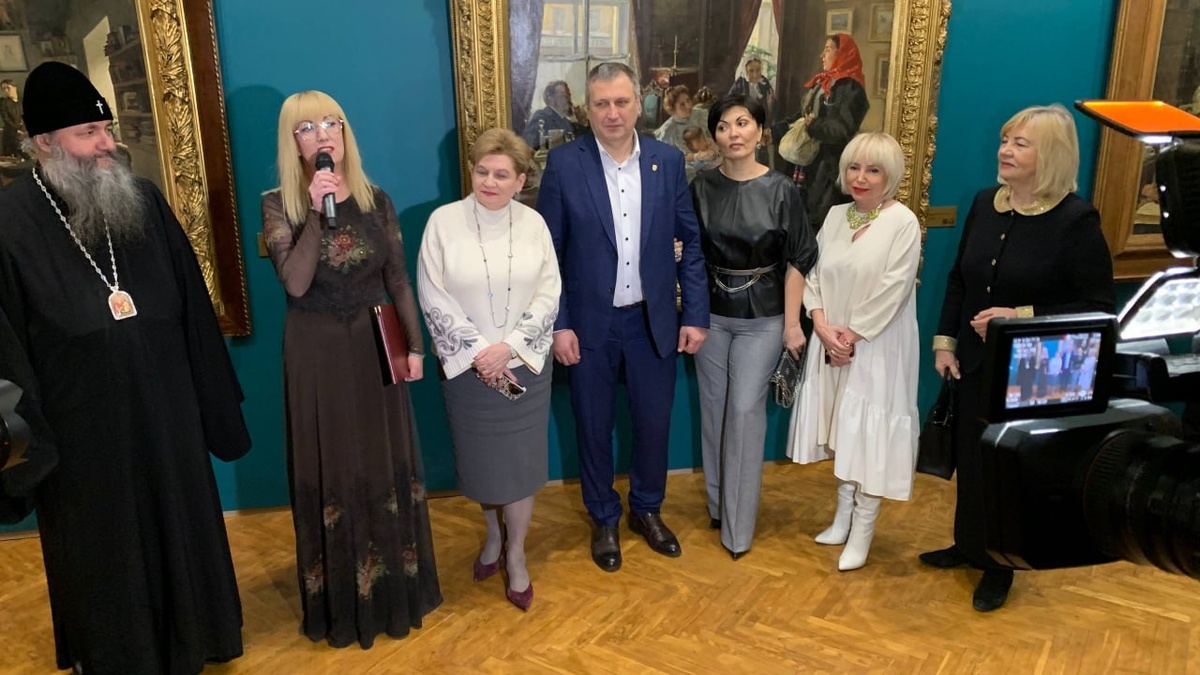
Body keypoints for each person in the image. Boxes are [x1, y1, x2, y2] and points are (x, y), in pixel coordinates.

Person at [0, 61, 250, 674]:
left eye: (106, 128)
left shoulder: (142, 200)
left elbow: (191, 307)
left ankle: (198, 637)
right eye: (88, 132)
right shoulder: (10, 221)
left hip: (167, 412)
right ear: (44, 143)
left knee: (181, 524)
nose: (107, 143)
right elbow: (5, 347)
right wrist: (29, 447)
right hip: (82, 432)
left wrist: (212, 405)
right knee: (102, 547)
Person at [261, 90, 441, 647]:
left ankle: (395, 593)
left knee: (383, 460)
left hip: (374, 347)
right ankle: (343, 601)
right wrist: (317, 211)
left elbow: (398, 278)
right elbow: (295, 283)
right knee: (333, 464)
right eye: (308, 127)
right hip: (316, 354)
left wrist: (415, 348)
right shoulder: (278, 205)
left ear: (344, 132)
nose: (323, 135)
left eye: (332, 123)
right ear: (293, 142)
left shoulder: (376, 198)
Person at [921, 104, 1115, 611]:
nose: (1004, 150)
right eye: (1005, 140)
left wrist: (1018, 315)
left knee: (1008, 470)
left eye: (1019, 143)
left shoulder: (1076, 219)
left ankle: (1001, 564)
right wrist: (945, 343)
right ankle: (969, 545)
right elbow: (960, 280)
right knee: (971, 458)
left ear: (1049, 155)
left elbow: (1097, 306)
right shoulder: (985, 203)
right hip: (975, 360)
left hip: (1030, 369)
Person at [537, 61, 710, 573]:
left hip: (651, 323)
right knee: (592, 427)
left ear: (638, 104)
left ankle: (647, 510)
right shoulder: (564, 164)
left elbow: (690, 242)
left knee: (653, 425)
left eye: (620, 102)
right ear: (586, 109)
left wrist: (694, 314)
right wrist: (559, 323)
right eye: (601, 104)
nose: (612, 113)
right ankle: (604, 518)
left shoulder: (667, 161)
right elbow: (548, 254)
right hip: (589, 324)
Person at [416, 128, 561, 611]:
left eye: (502, 175)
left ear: (521, 180)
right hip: (468, 371)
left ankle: (516, 552)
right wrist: (481, 353)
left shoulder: (535, 224)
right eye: (482, 171)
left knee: (518, 467)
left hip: (525, 368)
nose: (490, 182)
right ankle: (492, 536)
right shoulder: (442, 223)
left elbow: (550, 292)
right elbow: (432, 294)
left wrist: (511, 347)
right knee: (483, 467)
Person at [785, 131, 921, 572]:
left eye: (873, 169)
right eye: (854, 168)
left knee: (867, 433)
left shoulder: (903, 222)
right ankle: (842, 517)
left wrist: (851, 337)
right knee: (842, 430)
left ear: (891, 175)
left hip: (877, 346)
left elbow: (895, 289)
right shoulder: (835, 215)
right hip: (832, 342)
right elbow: (814, 275)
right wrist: (821, 324)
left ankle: (863, 529)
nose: (860, 177)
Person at [690, 95, 818, 559]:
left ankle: (738, 529)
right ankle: (718, 506)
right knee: (713, 410)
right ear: (714, 136)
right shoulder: (701, 186)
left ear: (761, 132)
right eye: (723, 126)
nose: (733, 134)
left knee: (744, 412)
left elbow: (799, 258)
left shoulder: (782, 190)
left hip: (763, 317)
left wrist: (792, 324)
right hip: (710, 317)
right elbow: (687, 251)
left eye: (742, 123)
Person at [772, 33, 869, 231]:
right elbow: (800, 117)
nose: (822, 55)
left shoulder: (851, 89)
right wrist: (773, 132)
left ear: (842, 54)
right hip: (805, 166)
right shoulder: (822, 83)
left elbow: (843, 130)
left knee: (818, 223)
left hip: (827, 170)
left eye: (827, 49)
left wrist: (814, 125)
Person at [521, 80, 583, 150]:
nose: (568, 99)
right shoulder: (541, 117)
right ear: (550, 98)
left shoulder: (567, 122)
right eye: (563, 95)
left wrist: (582, 120)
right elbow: (528, 145)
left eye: (568, 95)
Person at [655, 85, 710, 155]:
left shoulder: (701, 114)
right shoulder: (668, 130)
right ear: (673, 110)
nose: (688, 106)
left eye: (688, 100)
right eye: (682, 105)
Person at [0, 78, 25, 156]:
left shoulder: (22, 102)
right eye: (4, 89)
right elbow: (6, 119)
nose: (6, 91)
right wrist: (16, 129)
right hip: (10, 134)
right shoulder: (4, 103)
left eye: (8, 88)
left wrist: (23, 130)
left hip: (23, 133)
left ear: (15, 87)